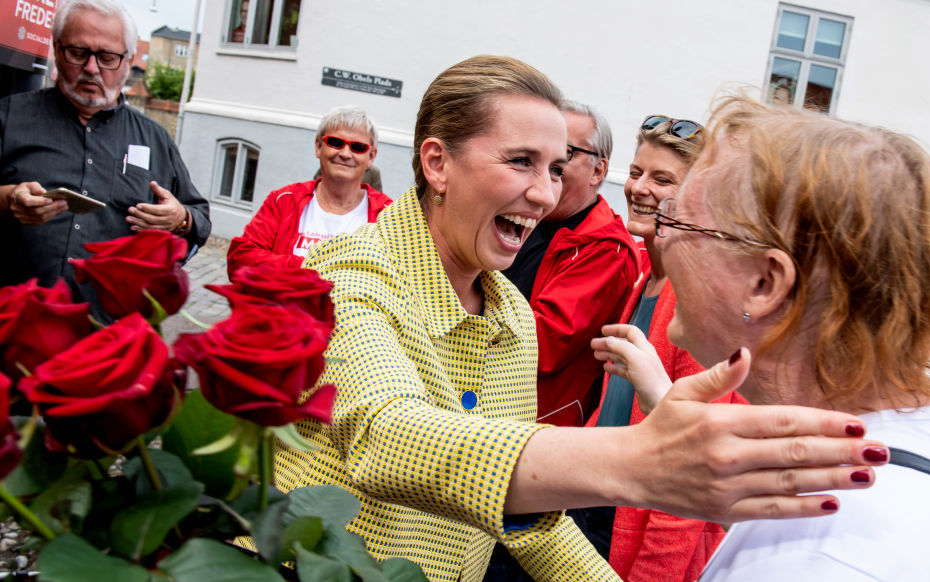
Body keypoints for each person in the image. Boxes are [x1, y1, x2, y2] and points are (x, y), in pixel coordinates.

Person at [273, 56, 889, 582]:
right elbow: (390, 439)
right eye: (521, 162)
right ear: (437, 164)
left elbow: (529, 521)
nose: (544, 194)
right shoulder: (347, 275)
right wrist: (633, 463)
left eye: (554, 168)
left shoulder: (510, 312)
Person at [594, 94, 930, 580]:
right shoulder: (922, 427)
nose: (661, 238)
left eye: (680, 220)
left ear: (765, 283)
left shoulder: (818, 557)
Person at [578, 116, 747, 581]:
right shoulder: (646, 278)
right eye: (636, 173)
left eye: (662, 178)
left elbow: (694, 469)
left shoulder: (698, 296)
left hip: (638, 527)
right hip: (600, 504)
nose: (640, 188)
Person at [0, 0, 210, 318]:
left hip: (106, 340)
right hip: (14, 331)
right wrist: (5, 199)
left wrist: (181, 219)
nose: (92, 68)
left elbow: (199, 220)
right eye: (78, 53)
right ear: (57, 50)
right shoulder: (8, 117)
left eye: (107, 57)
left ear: (127, 62)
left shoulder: (154, 139)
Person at [501, 101, 639, 427]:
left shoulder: (607, 248)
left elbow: (545, 344)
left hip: (534, 426)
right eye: (543, 152)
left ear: (599, 171)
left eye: (566, 152)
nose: (553, 164)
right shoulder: (528, 216)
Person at [226, 105, 390, 278]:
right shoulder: (284, 200)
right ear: (319, 147)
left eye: (358, 147)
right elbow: (240, 260)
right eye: (335, 142)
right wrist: (309, 267)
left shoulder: (387, 215)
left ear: (371, 156)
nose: (345, 153)